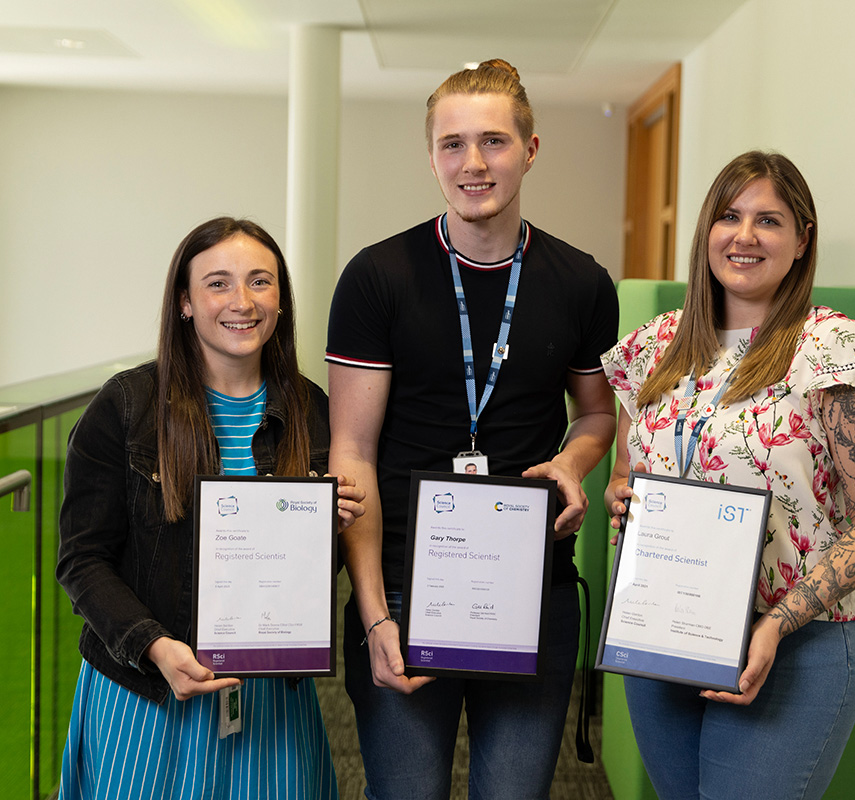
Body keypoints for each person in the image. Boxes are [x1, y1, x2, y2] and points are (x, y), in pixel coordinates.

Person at [326, 59, 619, 798]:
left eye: (493, 140)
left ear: (530, 149)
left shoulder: (581, 282)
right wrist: (371, 617)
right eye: (452, 144)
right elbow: (351, 454)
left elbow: (594, 413)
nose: (474, 162)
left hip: (530, 588)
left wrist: (572, 463)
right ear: (431, 157)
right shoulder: (377, 277)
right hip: (399, 587)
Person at [602, 151, 855, 799]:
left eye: (768, 220)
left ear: (802, 241)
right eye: (728, 216)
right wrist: (623, 497)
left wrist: (778, 623)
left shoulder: (836, 349)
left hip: (796, 644)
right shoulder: (655, 345)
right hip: (665, 635)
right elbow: (626, 468)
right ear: (705, 234)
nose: (744, 235)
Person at [56, 217, 364, 800]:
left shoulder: (312, 411)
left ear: (281, 300)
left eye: (260, 282)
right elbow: (82, 561)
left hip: (268, 692)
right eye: (218, 283)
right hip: (146, 691)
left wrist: (326, 530)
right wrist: (153, 645)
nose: (241, 302)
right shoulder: (125, 407)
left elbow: (301, 577)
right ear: (185, 303)